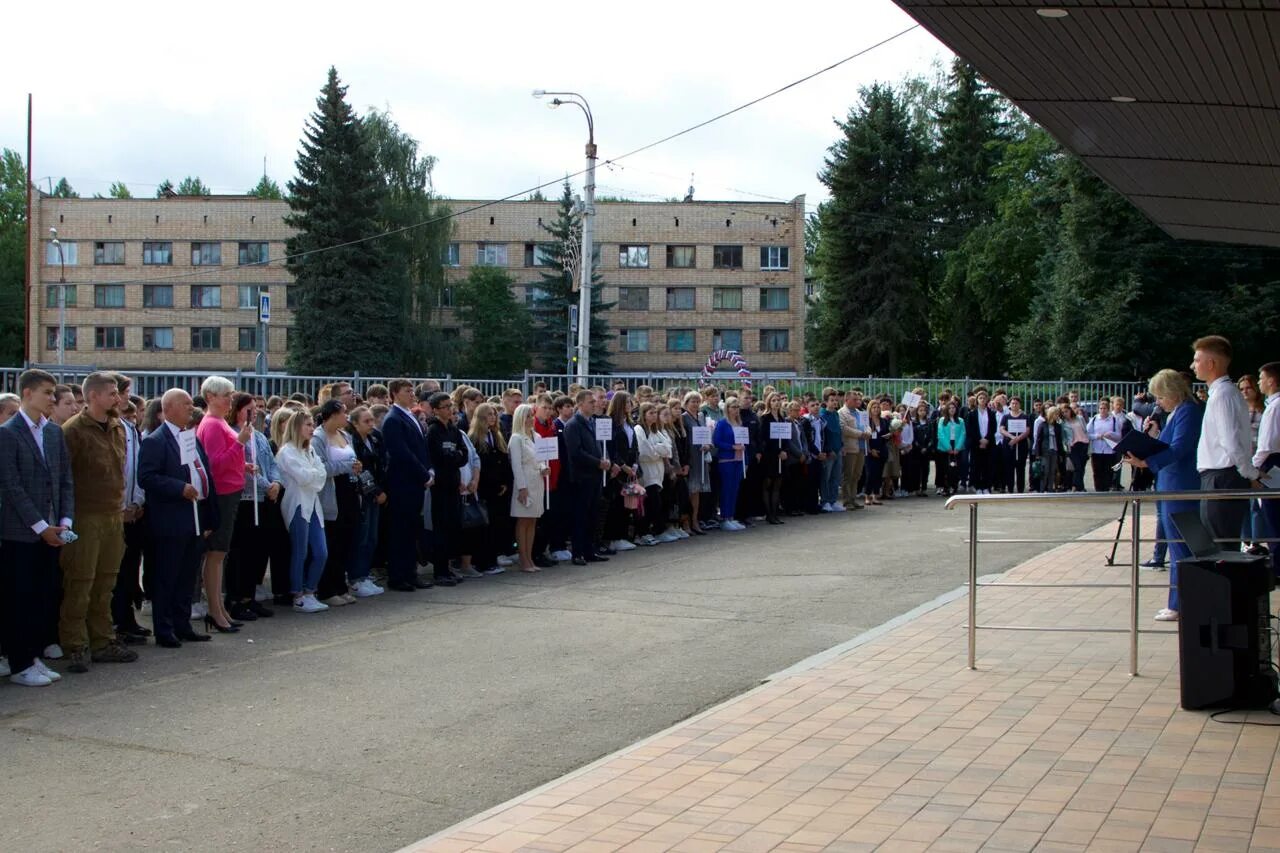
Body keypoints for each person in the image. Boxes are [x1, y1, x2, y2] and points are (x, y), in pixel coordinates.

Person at [0, 369, 74, 685]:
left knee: (43, 595)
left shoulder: (54, 433)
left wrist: (64, 521)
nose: (52, 399)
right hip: (20, 533)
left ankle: (31, 657)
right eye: (47, 392)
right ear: (28, 393)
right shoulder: (8, 433)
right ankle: (18, 663)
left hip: (52, 530)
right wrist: (40, 526)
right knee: (20, 597)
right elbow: (12, 486)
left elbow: (64, 479)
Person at [59, 372, 136, 673]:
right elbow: (64, 478)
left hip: (112, 515)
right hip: (84, 516)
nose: (118, 398)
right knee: (80, 580)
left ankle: (102, 640)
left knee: (106, 580)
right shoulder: (73, 430)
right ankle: (76, 644)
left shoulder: (117, 426)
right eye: (112, 393)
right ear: (93, 396)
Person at [137, 389, 219, 647]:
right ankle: (164, 629)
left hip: (195, 518)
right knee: (167, 576)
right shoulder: (156, 440)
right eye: (185, 404)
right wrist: (178, 487)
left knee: (187, 576)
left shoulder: (190, 437)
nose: (190, 408)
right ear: (169, 408)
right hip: (171, 520)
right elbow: (147, 477)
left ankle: (183, 625)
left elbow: (204, 474)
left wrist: (209, 519)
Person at [1123, 370, 1203, 622]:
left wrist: (1147, 462)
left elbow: (1180, 448)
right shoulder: (1180, 412)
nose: (1158, 402)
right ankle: (1179, 601)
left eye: (1160, 396)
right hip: (1173, 482)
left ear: (1171, 392)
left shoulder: (1188, 411)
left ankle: (1180, 604)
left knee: (1180, 545)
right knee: (1177, 543)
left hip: (1180, 484)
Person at [195, 376, 255, 634]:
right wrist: (240, 443)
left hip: (230, 491)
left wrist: (241, 465)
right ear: (210, 397)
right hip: (221, 494)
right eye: (225, 395)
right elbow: (213, 464)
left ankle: (219, 610)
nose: (230, 400)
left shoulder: (218, 423)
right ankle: (216, 611)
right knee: (216, 555)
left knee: (220, 555)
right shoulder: (211, 424)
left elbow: (223, 460)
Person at [1191, 335, 1261, 541]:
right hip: (1221, 476)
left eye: (1197, 360)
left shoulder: (1223, 395)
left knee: (1220, 544)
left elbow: (1230, 442)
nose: (1193, 365)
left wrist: (1249, 473)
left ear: (1211, 363)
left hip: (1222, 477)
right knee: (1221, 541)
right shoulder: (1223, 393)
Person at [380, 379, 434, 592]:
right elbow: (401, 452)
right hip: (403, 483)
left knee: (412, 529)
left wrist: (429, 470)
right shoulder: (393, 419)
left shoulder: (409, 415)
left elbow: (421, 448)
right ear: (394, 393)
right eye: (407, 391)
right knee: (400, 531)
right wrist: (423, 473)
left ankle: (410, 573)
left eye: (413, 390)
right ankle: (398, 575)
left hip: (415, 482)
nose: (412, 394)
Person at [275, 410, 329, 613]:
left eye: (311, 424)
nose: (311, 429)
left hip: (313, 505)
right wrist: (313, 475)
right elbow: (303, 477)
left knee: (321, 551)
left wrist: (312, 475)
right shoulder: (287, 452)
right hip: (297, 505)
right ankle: (297, 595)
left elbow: (321, 477)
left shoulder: (310, 451)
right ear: (297, 427)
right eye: (307, 425)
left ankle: (310, 591)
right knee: (301, 551)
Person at [311, 399, 363, 607]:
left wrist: (356, 467)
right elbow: (322, 467)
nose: (347, 417)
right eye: (343, 413)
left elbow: (352, 461)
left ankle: (341, 585)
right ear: (332, 415)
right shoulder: (318, 438)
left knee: (345, 543)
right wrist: (347, 466)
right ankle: (327, 589)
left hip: (349, 493)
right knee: (331, 542)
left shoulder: (346, 435)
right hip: (332, 495)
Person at [425, 393, 470, 583]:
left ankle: (449, 568)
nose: (449, 409)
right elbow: (439, 456)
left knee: (452, 526)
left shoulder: (453, 429)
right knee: (440, 528)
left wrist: (453, 456)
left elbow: (464, 454)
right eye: (444, 407)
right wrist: (453, 456)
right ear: (435, 410)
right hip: (440, 485)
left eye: (450, 405)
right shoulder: (433, 430)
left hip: (454, 483)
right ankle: (440, 571)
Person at [564, 390, 613, 564]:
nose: (594, 404)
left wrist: (605, 459)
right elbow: (576, 453)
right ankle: (577, 553)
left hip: (595, 476)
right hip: (582, 477)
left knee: (592, 514)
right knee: (580, 516)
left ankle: (589, 550)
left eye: (594, 401)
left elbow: (598, 445)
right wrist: (597, 462)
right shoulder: (573, 425)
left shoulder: (591, 422)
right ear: (580, 404)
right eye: (590, 402)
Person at [347, 405, 387, 596]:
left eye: (372, 420)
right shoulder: (353, 442)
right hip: (362, 495)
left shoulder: (375, 439)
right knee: (361, 537)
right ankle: (356, 578)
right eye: (366, 421)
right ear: (355, 424)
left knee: (372, 536)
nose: (371, 424)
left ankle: (364, 574)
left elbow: (382, 464)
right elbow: (360, 469)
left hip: (376, 494)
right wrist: (375, 491)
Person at [470, 402, 513, 575]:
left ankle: (492, 558)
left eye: (494, 414)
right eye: (489, 414)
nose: (493, 417)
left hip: (500, 490)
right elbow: (481, 465)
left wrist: (505, 483)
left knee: (497, 525)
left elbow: (503, 461)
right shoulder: (475, 438)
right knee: (484, 526)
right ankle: (482, 562)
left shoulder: (496, 436)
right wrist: (494, 484)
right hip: (485, 489)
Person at [507, 403, 546, 571]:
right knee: (523, 521)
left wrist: (544, 468)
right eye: (528, 416)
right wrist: (522, 488)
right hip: (524, 483)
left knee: (533, 520)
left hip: (537, 481)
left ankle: (530, 558)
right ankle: (523, 559)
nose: (531, 419)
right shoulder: (516, 438)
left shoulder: (537, 436)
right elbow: (516, 465)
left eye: (532, 415)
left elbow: (542, 459)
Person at [1253, 362, 1280, 575]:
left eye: (1261, 378)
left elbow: (1266, 445)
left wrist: (1251, 469)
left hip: (1272, 464)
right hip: (1274, 462)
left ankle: (1278, 566)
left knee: (1273, 518)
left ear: (1271, 380)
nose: (1259, 381)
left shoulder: (1275, 407)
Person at [635, 402, 673, 544]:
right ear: (643, 414)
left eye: (655, 413)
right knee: (650, 504)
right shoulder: (639, 429)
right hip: (647, 473)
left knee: (656, 504)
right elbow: (644, 452)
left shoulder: (655, 430)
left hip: (658, 473)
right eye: (650, 413)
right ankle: (643, 533)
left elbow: (668, 449)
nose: (654, 415)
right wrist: (658, 451)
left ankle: (654, 531)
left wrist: (656, 449)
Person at [712, 397, 747, 531]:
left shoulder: (740, 424)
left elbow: (745, 444)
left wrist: (746, 460)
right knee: (726, 489)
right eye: (733, 407)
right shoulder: (722, 423)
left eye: (737, 407)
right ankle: (725, 517)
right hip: (726, 460)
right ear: (727, 409)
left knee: (735, 489)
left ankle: (731, 516)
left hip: (739, 460)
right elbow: (717, 441)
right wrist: (732, 447)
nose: (736, 410)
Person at [681, 392, 712, 534]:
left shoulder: (701, 417)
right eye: (692, 401)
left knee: (697, 492)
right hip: (691, 458)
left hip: (701, 457)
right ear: (686, 403)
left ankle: (695, 520)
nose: (695, 404)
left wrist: (708, 445)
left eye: (697, 401)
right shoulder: (684, 418)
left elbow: (706, 435)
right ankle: (687, 522)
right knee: (689, 491)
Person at [759, 392, 789, 524]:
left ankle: (775, 513)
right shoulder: (765, 418)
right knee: (768, 484)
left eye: (778, 400)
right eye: (773, 400)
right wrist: (777, 451)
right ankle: (769, 514)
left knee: (778, 484)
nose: (776, 403)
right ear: (769, 402)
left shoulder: (782, 418)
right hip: (770, 455)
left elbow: (786, 438)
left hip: (781, 456)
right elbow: (764, 438)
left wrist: (784, 451)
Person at [838, 389, 868, 509]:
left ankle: (853, 498)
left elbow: (867, 426)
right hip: (850, 447)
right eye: (854, 399)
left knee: (857, 474)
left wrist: (868, 432)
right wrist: (860, 434)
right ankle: (847, 500)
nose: (857, 402)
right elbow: (844, 429)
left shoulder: (861, 413)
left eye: (858, 399)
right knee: (848, 475)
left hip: (861, 447)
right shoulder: (841, 413)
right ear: (847, 400)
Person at [965, 389, 996, 495]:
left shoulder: (991, 413)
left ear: (987, 399)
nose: (982, 400)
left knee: (988, 466)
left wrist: (986, 439)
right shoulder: (972, 413)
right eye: (980, 398)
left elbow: (993, 428)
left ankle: (986, 487)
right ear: (977, 400)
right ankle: (978, 486)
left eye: (984, 398)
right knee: (976, 466)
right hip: (976, 444)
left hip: (988, 443)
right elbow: (970, 429)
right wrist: (979, 440)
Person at [1087, 398, 1122, 493]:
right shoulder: (1094, 419)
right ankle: (1098, 490)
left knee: (1108, 471)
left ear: (1108, 409)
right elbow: (1088, 434)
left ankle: (1106, 489)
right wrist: (1097, 436)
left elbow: (1119, 436)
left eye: (1105, 408)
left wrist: (1110, 434)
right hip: (1096, 450)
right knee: (1097, 471)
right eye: (1101, 408)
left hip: (1109, 450)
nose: (1102, 410)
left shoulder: (1114, 420)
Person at [999, 397, 1031, 494]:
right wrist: (1012, 437)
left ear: (1019, 405)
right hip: (1009, 445)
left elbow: (1027, 430)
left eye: (1016, 403)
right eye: (1012, 403)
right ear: (1010, 405)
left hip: (1021, 446)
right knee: (1009, 467)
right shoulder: (1006, 417)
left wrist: (1018, 438)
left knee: (1021, 467)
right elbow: (1001, 429)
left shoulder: (1025, 417)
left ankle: (1020, 489)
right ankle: (1010, 489)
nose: (1014, 405)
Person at [934, 401, 966, 498]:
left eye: (953, 408)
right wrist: (948, 447)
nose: (952, 409)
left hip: (956, 445)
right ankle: (944, 487)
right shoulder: (942, 420)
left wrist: (957, 447)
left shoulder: (960, 421)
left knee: (954, 468)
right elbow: (941, 434)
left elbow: (963, 434)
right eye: (950, 408)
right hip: (944, 447)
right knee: (944, 468)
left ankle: (953, 486)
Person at [820, 391, 845, 512]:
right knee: (826, 477)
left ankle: (833, 500)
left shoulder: (836, 414)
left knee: (835, 476)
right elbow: (825, 435)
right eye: (832, 400)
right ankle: (825, 501)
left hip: (838, 449)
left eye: (836, 400)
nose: (835, 402)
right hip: (829, 452)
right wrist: (829, 450)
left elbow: (838, 432)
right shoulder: (822, 415)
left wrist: (841, 446)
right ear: (826, 402)